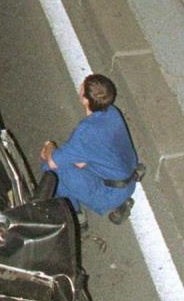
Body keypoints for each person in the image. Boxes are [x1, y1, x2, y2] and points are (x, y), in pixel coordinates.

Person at [40, 74, 140, 223]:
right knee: (72, 163)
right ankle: (118, 201)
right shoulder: (112, 112)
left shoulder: (86, 133)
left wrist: (49, 146)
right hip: (127, 178)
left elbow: (54, 161)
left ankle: (75, 217)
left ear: (86, 100)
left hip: (111, 193)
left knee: (51, 170)